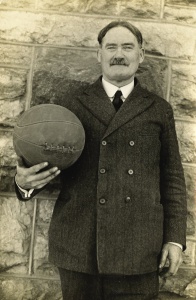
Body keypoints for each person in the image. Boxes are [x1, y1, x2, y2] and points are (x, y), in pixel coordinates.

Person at [15, 21, 187, 300]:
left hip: (139, 250)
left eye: (127, 47)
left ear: (140, 55)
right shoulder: (69, 104)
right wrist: (23, 183)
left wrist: (175, 239)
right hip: (80, 250)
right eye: (111, 47)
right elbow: (42, 159)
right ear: (100, 55)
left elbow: (173, 179)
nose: (119, 54)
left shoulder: (158, 109)